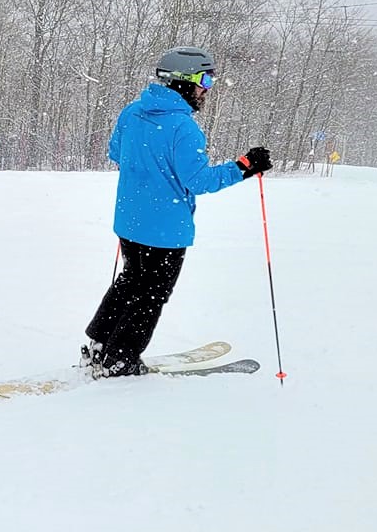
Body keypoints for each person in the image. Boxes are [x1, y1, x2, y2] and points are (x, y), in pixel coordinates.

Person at [84, 47, 271, 377]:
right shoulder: (183, 127)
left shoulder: (132, 112)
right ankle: (120, 360)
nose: (207, 89)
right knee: (150, 296)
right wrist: (245, 166)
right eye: (205, 80)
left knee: (129, 283)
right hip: (165, 231)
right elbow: (199, 181)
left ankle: (98, 347)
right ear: (183, 82)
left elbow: (115, 151)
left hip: (130, 222)